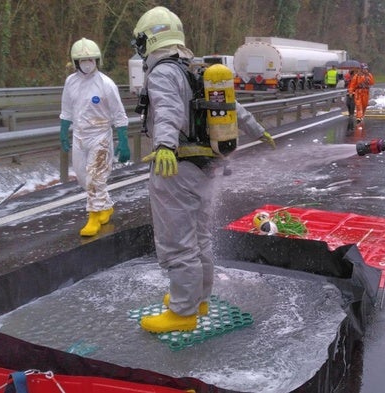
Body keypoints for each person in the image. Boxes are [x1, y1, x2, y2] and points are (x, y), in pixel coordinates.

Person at [131, 6, 276, 334]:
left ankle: (182, 313)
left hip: (177, 167)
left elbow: (167, 111)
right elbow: (230, 106)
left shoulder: (163, 73)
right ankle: (199, 299)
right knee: (200, 236)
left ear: (150, 40)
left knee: (177, 240)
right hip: (207, 165)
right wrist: (257, 129)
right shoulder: (194, 69)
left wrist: (164, 145)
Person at [59, 38, 130, 237]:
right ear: (75, 62)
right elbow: (66, 111)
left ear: (97, 60)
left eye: (90, 59)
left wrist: (123, 141)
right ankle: (105, 206)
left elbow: (119, 115)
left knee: (94, 177)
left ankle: (93, 216)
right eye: (83, 60)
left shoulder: (106, 84)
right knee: (83, 178)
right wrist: (64, 132)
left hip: (100, 136)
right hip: (79, 136)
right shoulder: (70, 82)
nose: (87, 62)